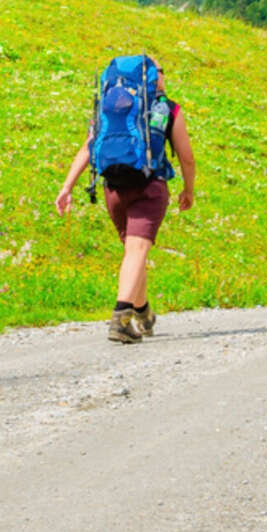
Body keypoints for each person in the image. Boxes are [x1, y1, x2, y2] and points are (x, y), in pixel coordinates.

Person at [55, 58, 196, 343]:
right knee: (136, 252)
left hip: (113, 189)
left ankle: (143, 312)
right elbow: (187, 157)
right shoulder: (168, 108)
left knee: (134, 252)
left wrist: (67, 187)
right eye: (162, 72)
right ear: (154, 77)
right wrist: (188, 190)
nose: (164, 77)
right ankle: (121, 318)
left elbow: (88, 146)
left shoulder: (112, 106)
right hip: (150, 186)